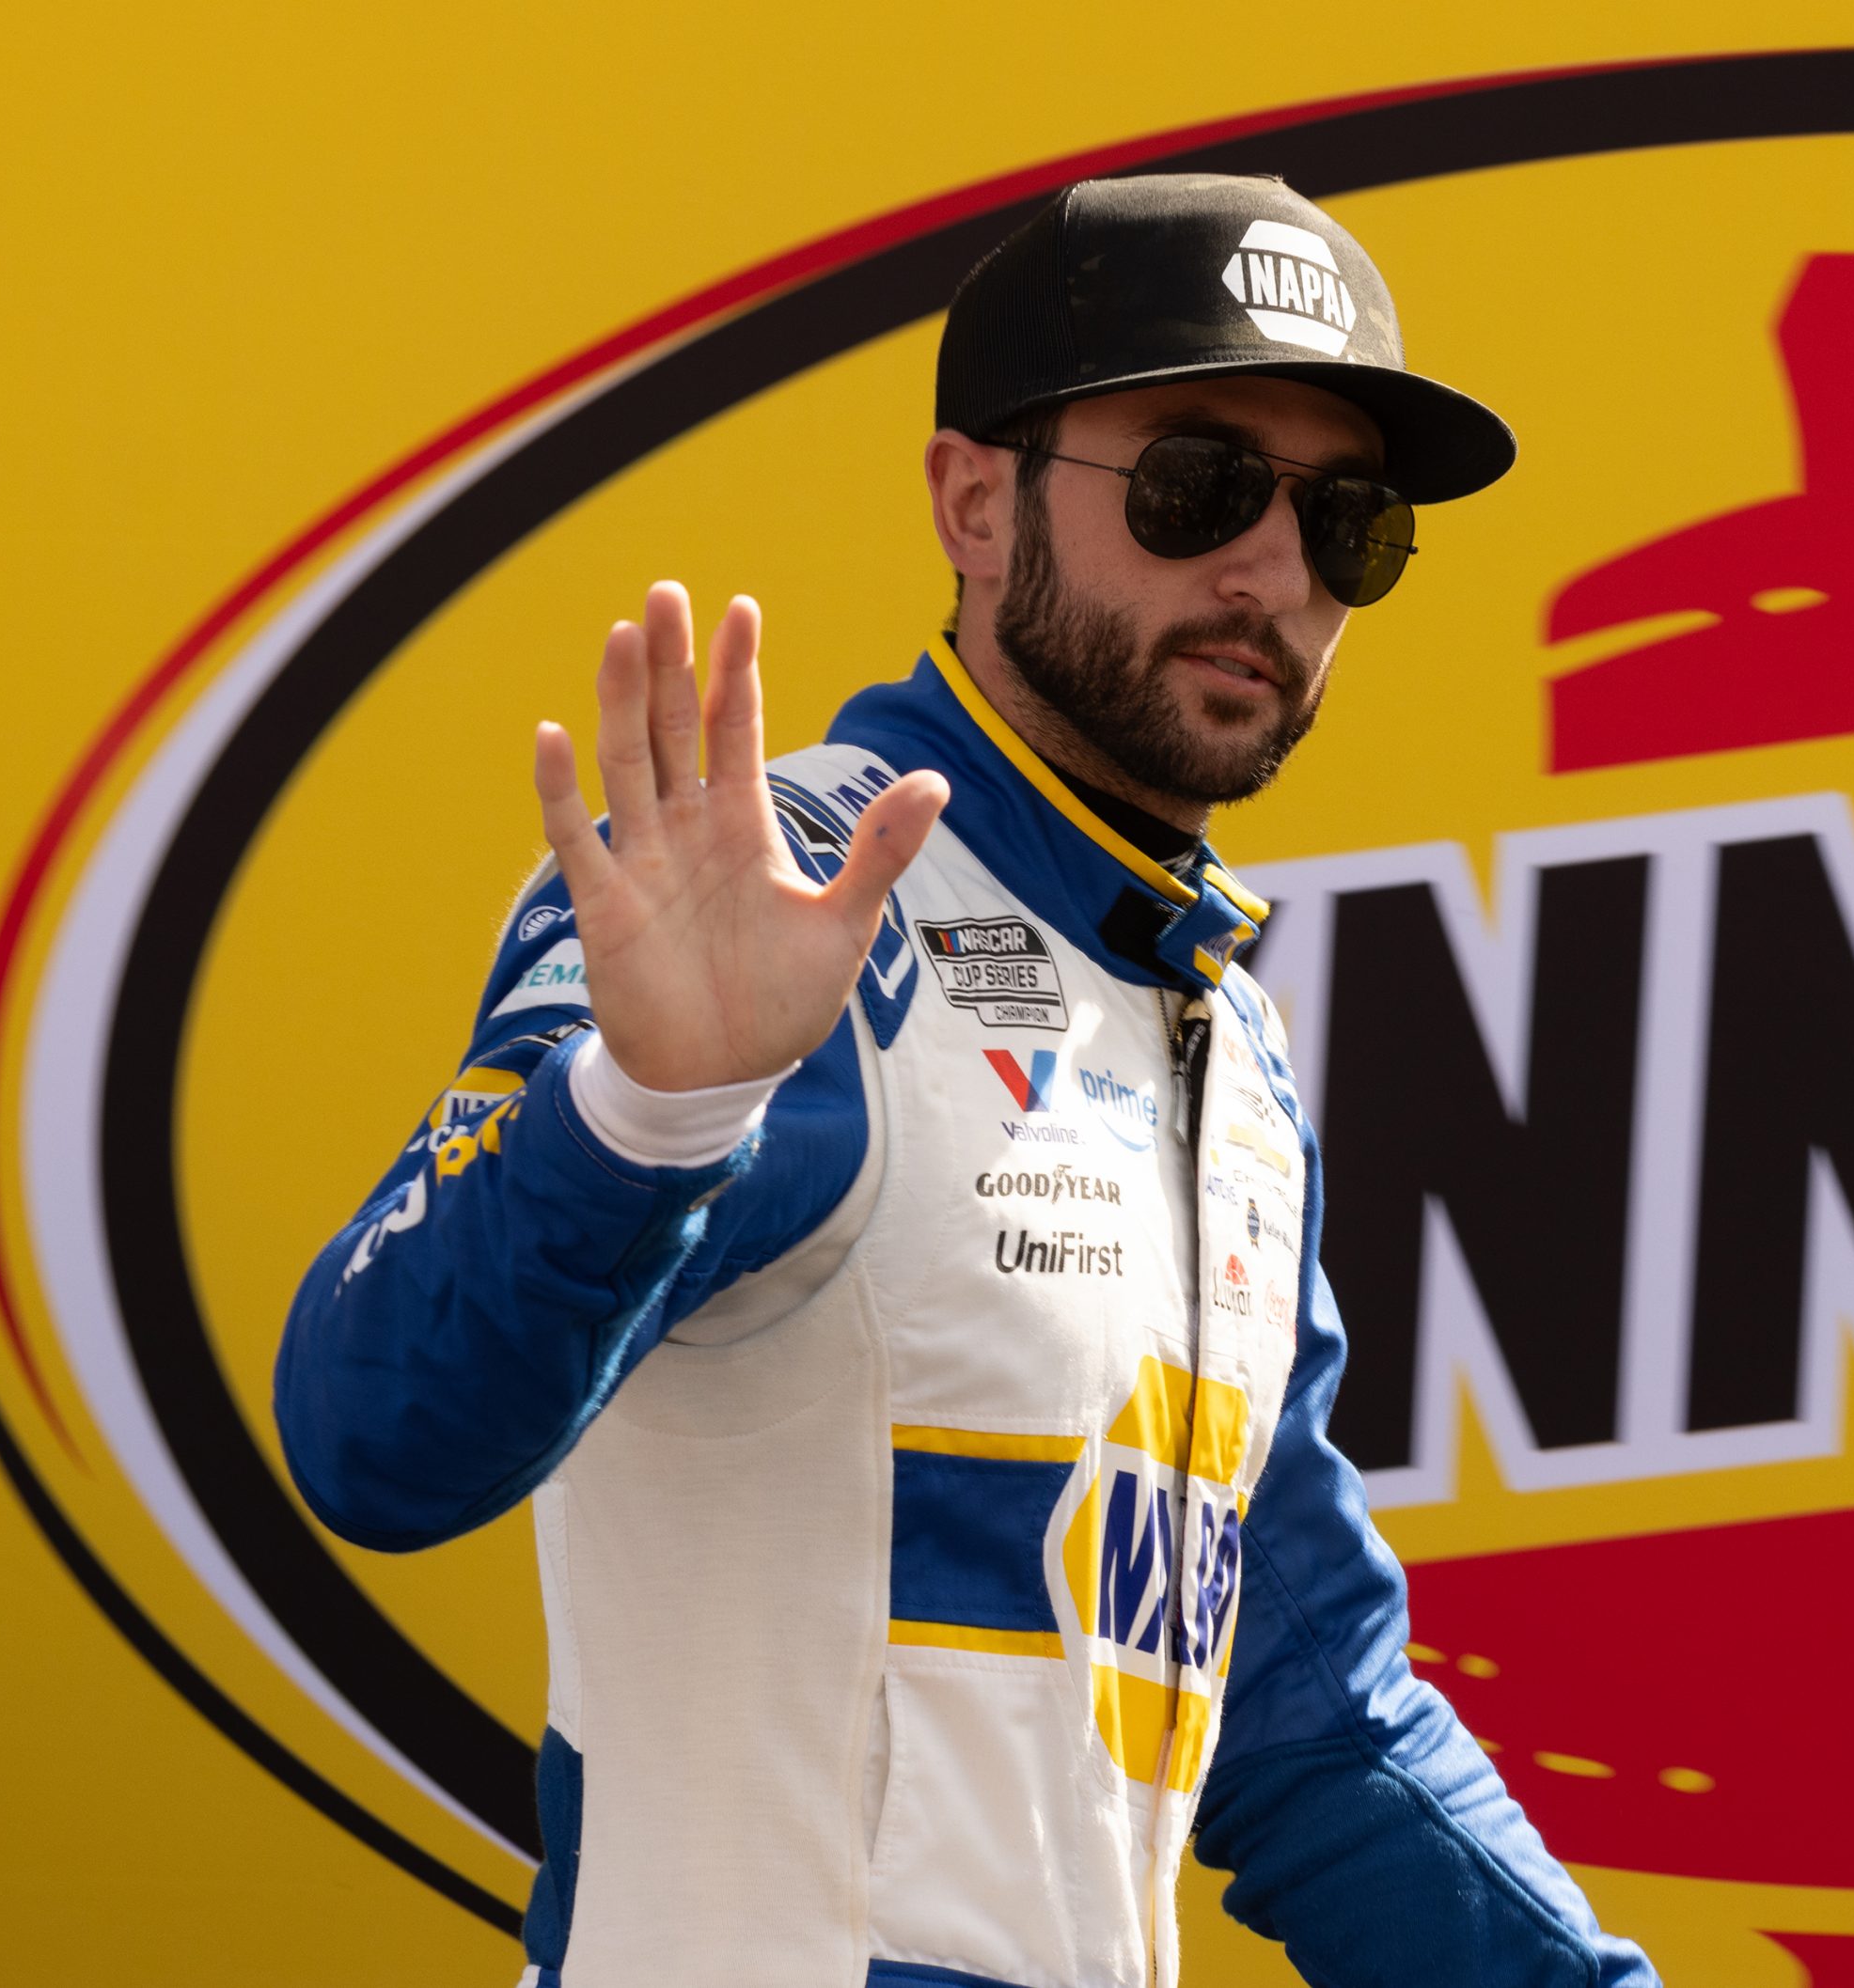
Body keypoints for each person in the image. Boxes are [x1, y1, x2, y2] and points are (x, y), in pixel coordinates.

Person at [276, 173, 1658, 1988]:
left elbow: (1313, 1719)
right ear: (975, 497)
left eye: (1347, 521)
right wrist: (649, 1109)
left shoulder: (1224, 1037)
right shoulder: (774, 905)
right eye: (1196, 481)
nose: (1268, 571)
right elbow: (371, 1437)